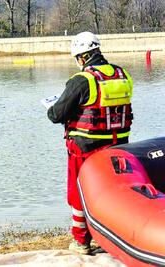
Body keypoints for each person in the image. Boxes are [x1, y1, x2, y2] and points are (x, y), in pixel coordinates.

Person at [47, 32, 133, 254]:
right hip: (119, 146)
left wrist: (53, 107)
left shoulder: (82, 80)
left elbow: (56, 114)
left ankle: (81, 241)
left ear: (82, 58)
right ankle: (116, 238)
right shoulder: (122, 74)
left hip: (85, 148)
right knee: (113, 193)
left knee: (78, 194)